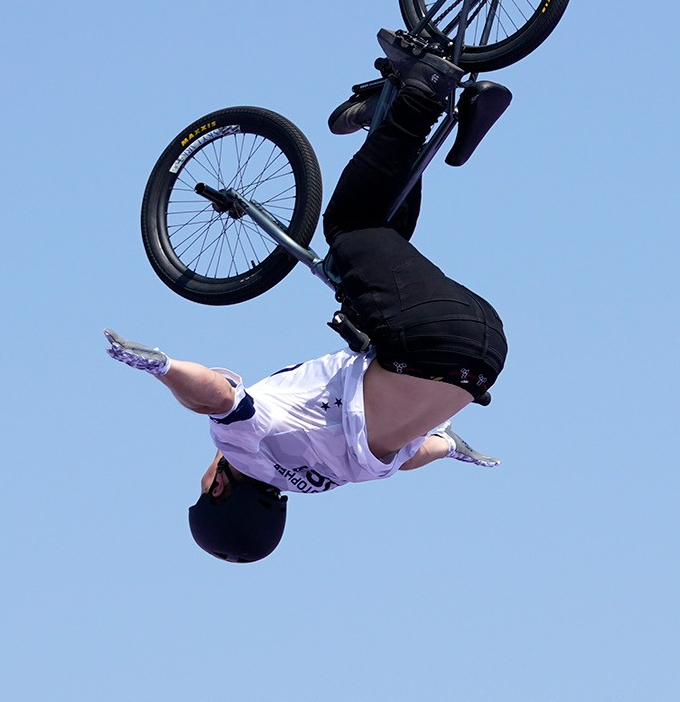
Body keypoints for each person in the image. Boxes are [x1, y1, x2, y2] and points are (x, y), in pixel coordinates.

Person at [105, 30, 509, 563]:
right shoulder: (244, 450)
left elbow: (414, 454)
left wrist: (454, 448)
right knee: (348, 226)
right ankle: (423, 92)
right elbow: (216, 398)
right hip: (423, 342)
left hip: (483, 356)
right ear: (219, 489)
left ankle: (401, 119)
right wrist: (160, 366)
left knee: (382, 238)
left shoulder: (331, 478)